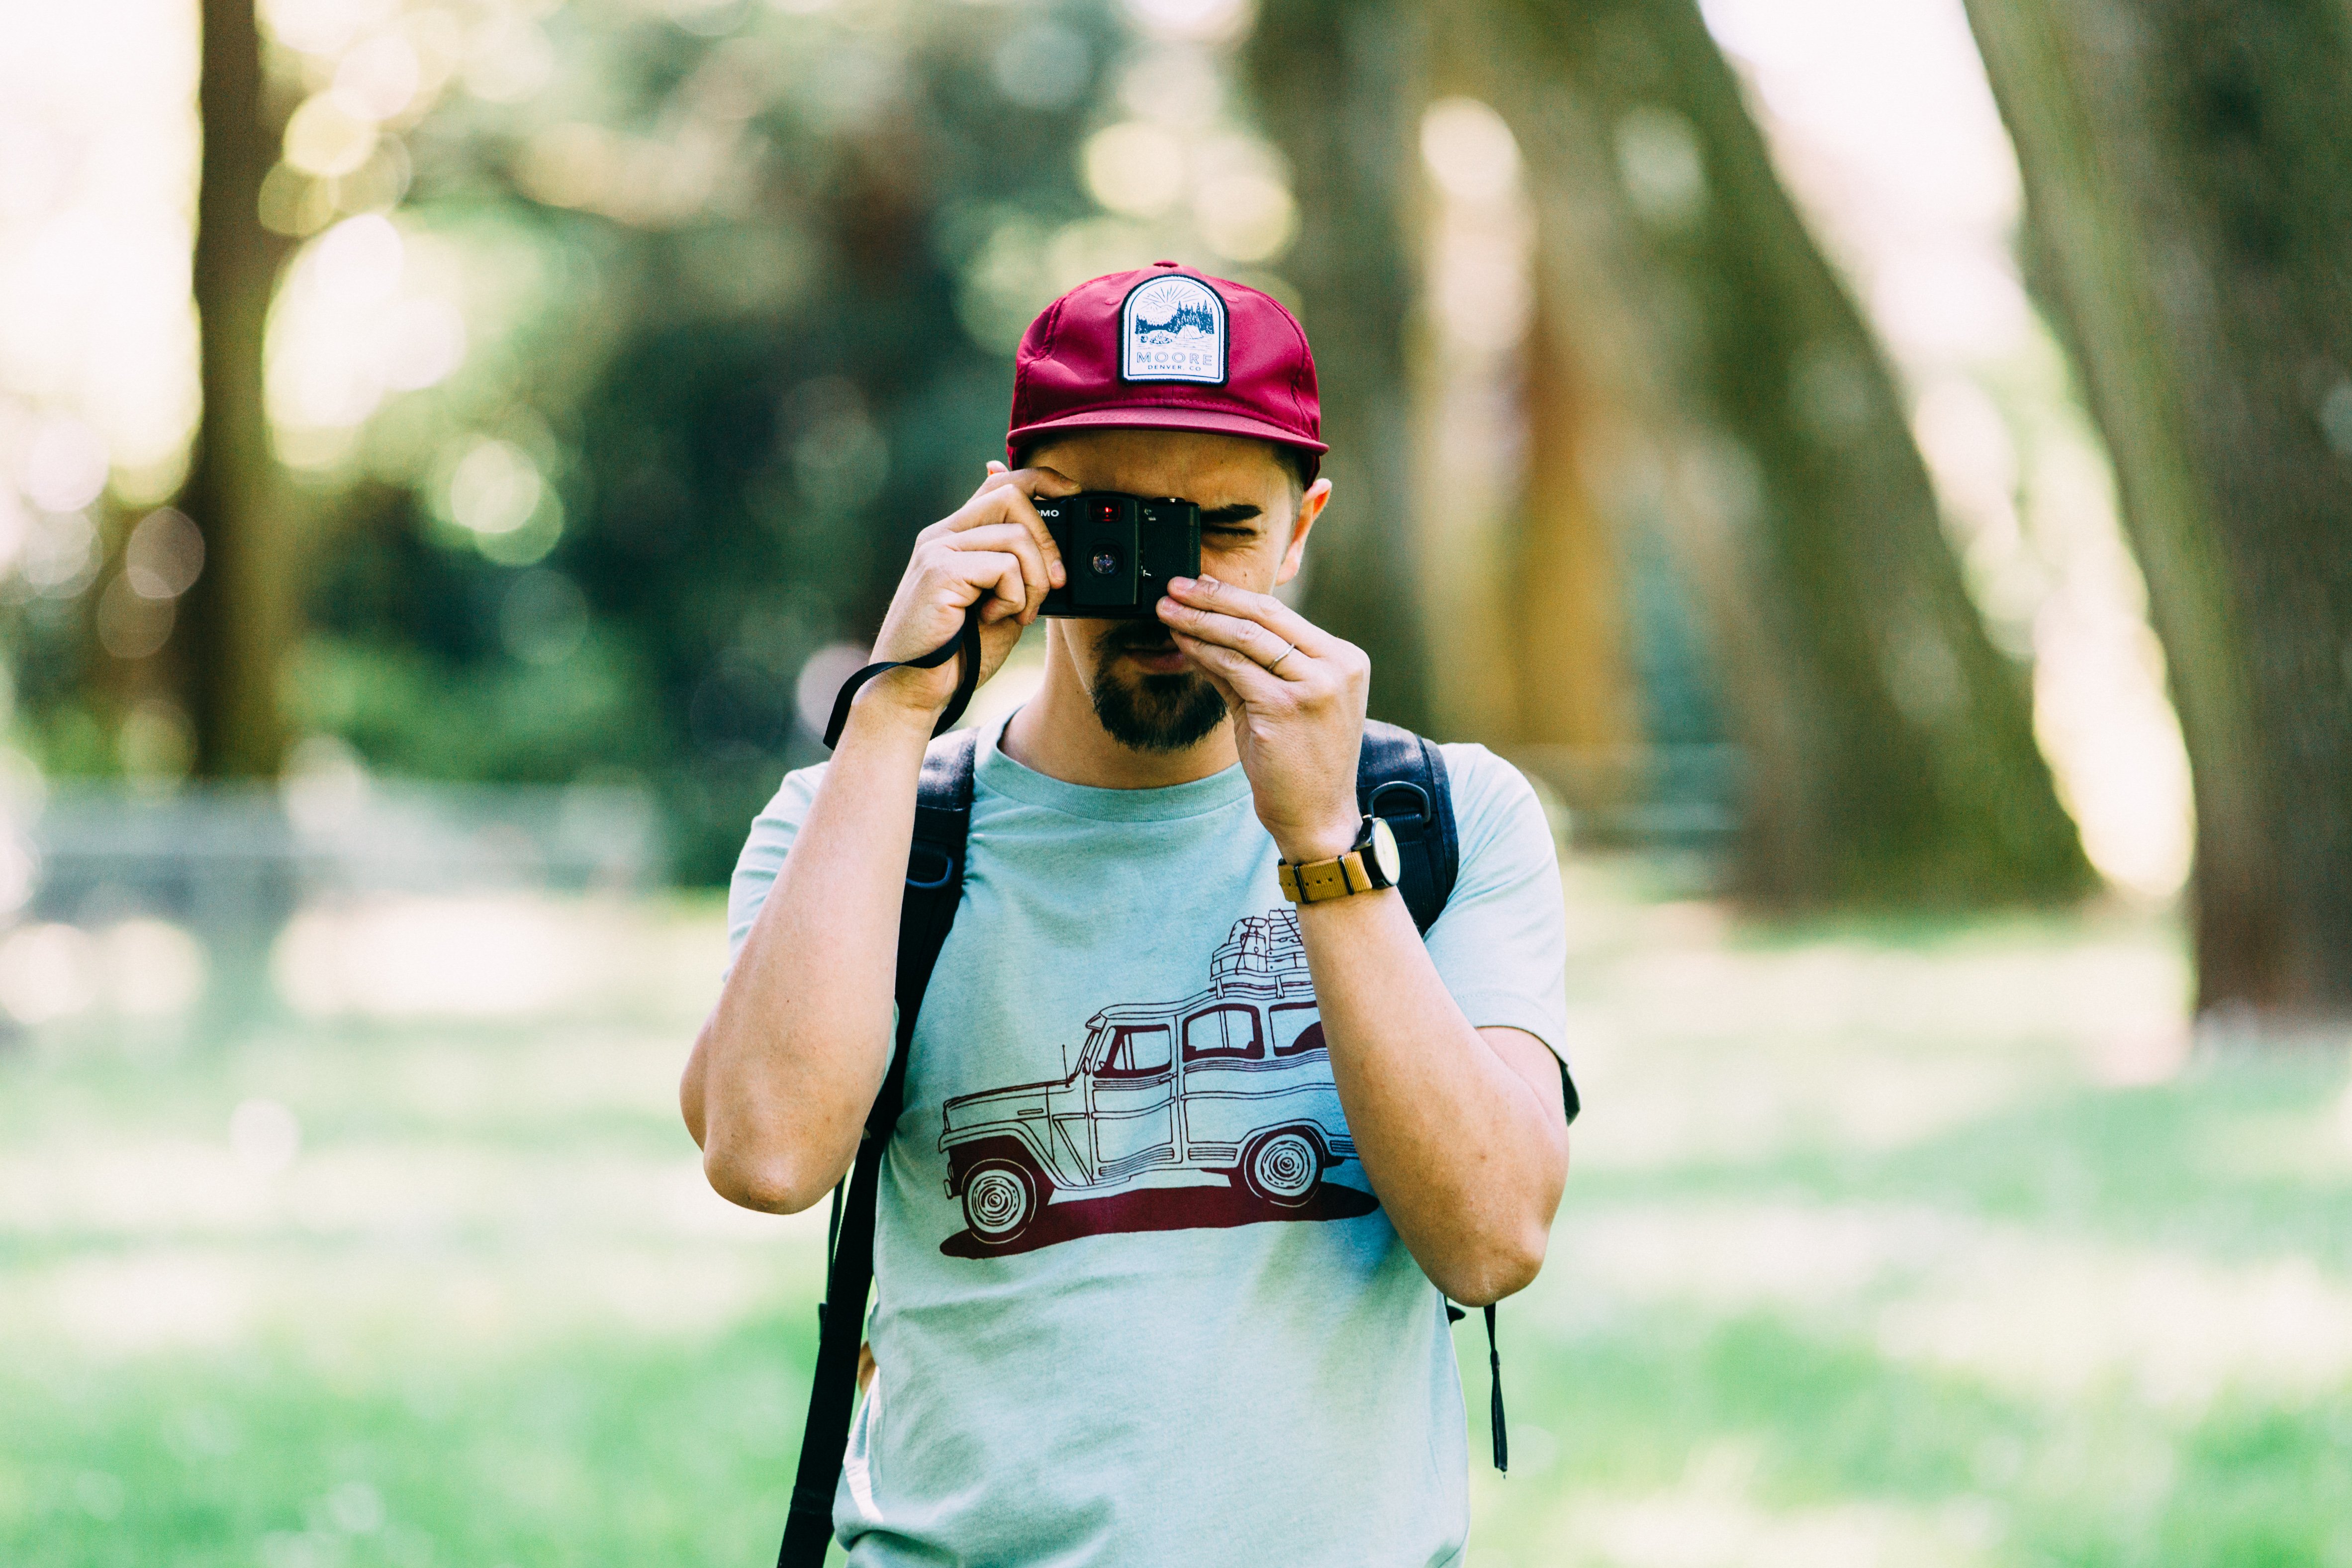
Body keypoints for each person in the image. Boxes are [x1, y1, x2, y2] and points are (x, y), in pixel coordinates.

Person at [681, 262, 1575, 1566]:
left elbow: (1492, 1240)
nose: (1165, 591)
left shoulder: (1444, 815)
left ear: (1302, 525)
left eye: (1216, 530)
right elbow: (763, 1159)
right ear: (1012, 514)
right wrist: (891, 709)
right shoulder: (867, 819)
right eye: (1114, 526)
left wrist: (1324, 844)